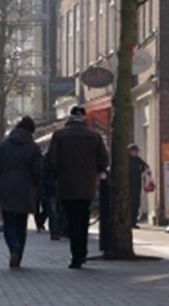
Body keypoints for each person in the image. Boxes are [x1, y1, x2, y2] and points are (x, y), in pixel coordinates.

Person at [46, 106, 109, 269]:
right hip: (87, 185)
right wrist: (94, 172)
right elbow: (104, 161)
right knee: (83, 217)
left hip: (66, 185)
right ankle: (82, 253)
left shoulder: (59, 136)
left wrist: (56, 175)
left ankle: (76, 256)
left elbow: (51, 161)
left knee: (72, 220)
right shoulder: (94, 136)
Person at [0, 116, 42, 268]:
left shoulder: (5, 145)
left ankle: (13, 246)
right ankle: (19, 255)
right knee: (21, 223)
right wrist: (36, 185)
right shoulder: (33, 147)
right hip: (25, 188)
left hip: (6, 186)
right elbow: (38, 170)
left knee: (9, 222)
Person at [128, 144, 149, 229]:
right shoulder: (126, 160)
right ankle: (129, 222)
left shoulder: (138, 160)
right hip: (128, 185)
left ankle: (133, 222)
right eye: (135, 151)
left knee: (136, 204)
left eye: (137, 151)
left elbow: (146, 167)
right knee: (129, 204)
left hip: (137, 185)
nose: (136, 153)